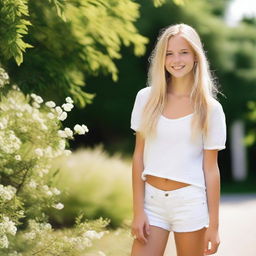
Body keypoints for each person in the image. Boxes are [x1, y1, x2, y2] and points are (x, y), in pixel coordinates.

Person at [130, 23, 227, 256]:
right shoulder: (146, 98)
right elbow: (138, 156)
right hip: (152, 203)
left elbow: (211, 169)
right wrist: (138, 211)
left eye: (184, 52)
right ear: (162, 59)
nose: (176, 59)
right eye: (169, 53)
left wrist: (214, 226)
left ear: (195, 56)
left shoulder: (210, 108)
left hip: (189, 204)